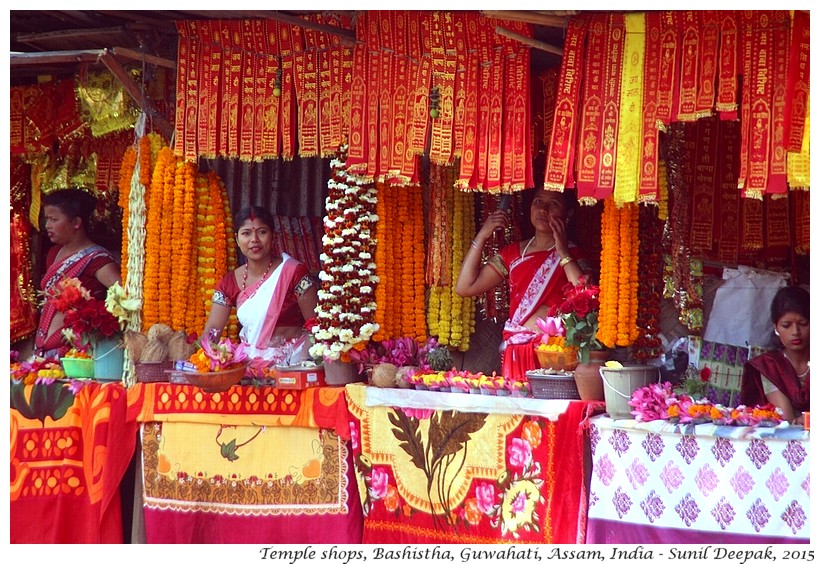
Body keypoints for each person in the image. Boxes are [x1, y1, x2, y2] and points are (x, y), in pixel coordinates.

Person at [455, 188, 593, 379]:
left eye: (553, 203)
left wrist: (563, 252)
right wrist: (482, 236)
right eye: (538, 202)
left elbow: (586, 295)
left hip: (554, 354)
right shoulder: (512, 254)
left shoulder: (573, 256)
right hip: (516, 352)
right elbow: (464, 287)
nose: (543, 209)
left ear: (568, 213)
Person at [203, 205, 319, 373]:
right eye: (246, 233)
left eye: (262, 232)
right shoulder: (228, 282)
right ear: (236, 239)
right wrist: (212, 358)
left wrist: (302, 363)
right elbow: (212, 333)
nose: (254, 240)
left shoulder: (293, 272)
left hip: (290, 367)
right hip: (246, 369)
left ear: (273, 236)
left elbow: (316, 325)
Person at [34, 188, 121, 358]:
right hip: (44, 350)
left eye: (54, 219)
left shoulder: (98, 260)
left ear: (76, 222)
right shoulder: (54, 253)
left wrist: (93, 321)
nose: (47, 225)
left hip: (75, 353)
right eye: (47, 219)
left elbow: (125, 300)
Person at [740, 286, 810, 425]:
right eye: (786, 325)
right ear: (776, 328)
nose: (795, 331)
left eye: (803, 323)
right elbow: (787, 420)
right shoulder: (770, 366)